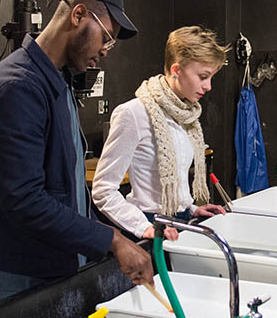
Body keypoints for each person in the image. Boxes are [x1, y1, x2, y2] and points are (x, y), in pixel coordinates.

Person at [0, 0, 153, 300]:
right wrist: (112, 240)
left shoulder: (57, 80)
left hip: (45, 256)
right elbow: (24, 199)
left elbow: (65, 184)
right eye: (106, 37)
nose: (105, 51)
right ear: (78, 15)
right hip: (12, 267)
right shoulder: (17, 86)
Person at [92, 26, 227, 240]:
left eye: (211, 77)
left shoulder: (187, 115)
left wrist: (191, 209)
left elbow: (175, 184)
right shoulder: (133, 114)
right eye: (203, 76)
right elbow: (103, 191)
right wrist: (143, 227)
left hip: (181, 223)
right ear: (176, 70)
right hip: (150, 229)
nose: (208, 86)